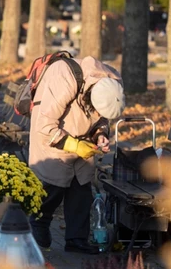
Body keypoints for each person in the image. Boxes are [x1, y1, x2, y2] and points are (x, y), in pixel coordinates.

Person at [28, 56, 125, 254]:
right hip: (51, 138)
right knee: (52, 187)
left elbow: (101, 118)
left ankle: (76, 239)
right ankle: (39, 223)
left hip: (82, 139)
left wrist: (100, 135)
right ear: (89, 95)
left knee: (81, 191)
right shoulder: (63, 76)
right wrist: (74, 144)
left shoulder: (112, 83)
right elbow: (44, 124)